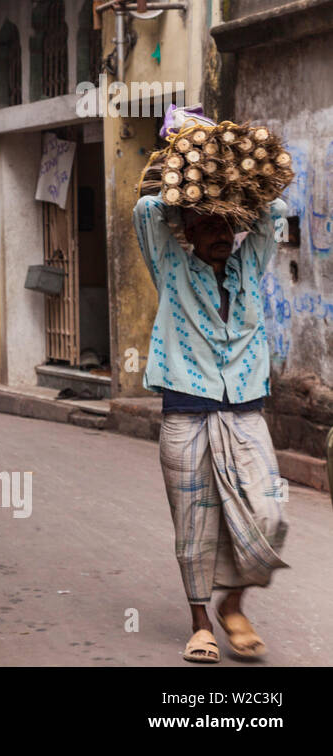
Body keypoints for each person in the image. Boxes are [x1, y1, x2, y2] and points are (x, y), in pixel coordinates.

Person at [133, 191, 289, 663]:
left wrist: (234, 187)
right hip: (185, 410)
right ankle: (201, 624)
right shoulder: (172, 266)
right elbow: (145, 211)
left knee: (272, 514)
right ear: (189, 231)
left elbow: (276, 209)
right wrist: (187, 179)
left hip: (245, 410)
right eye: (209, 225)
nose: (222, 234)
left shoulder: (249, 265)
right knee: (194, 525)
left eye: (228, 225)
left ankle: (233, 604)